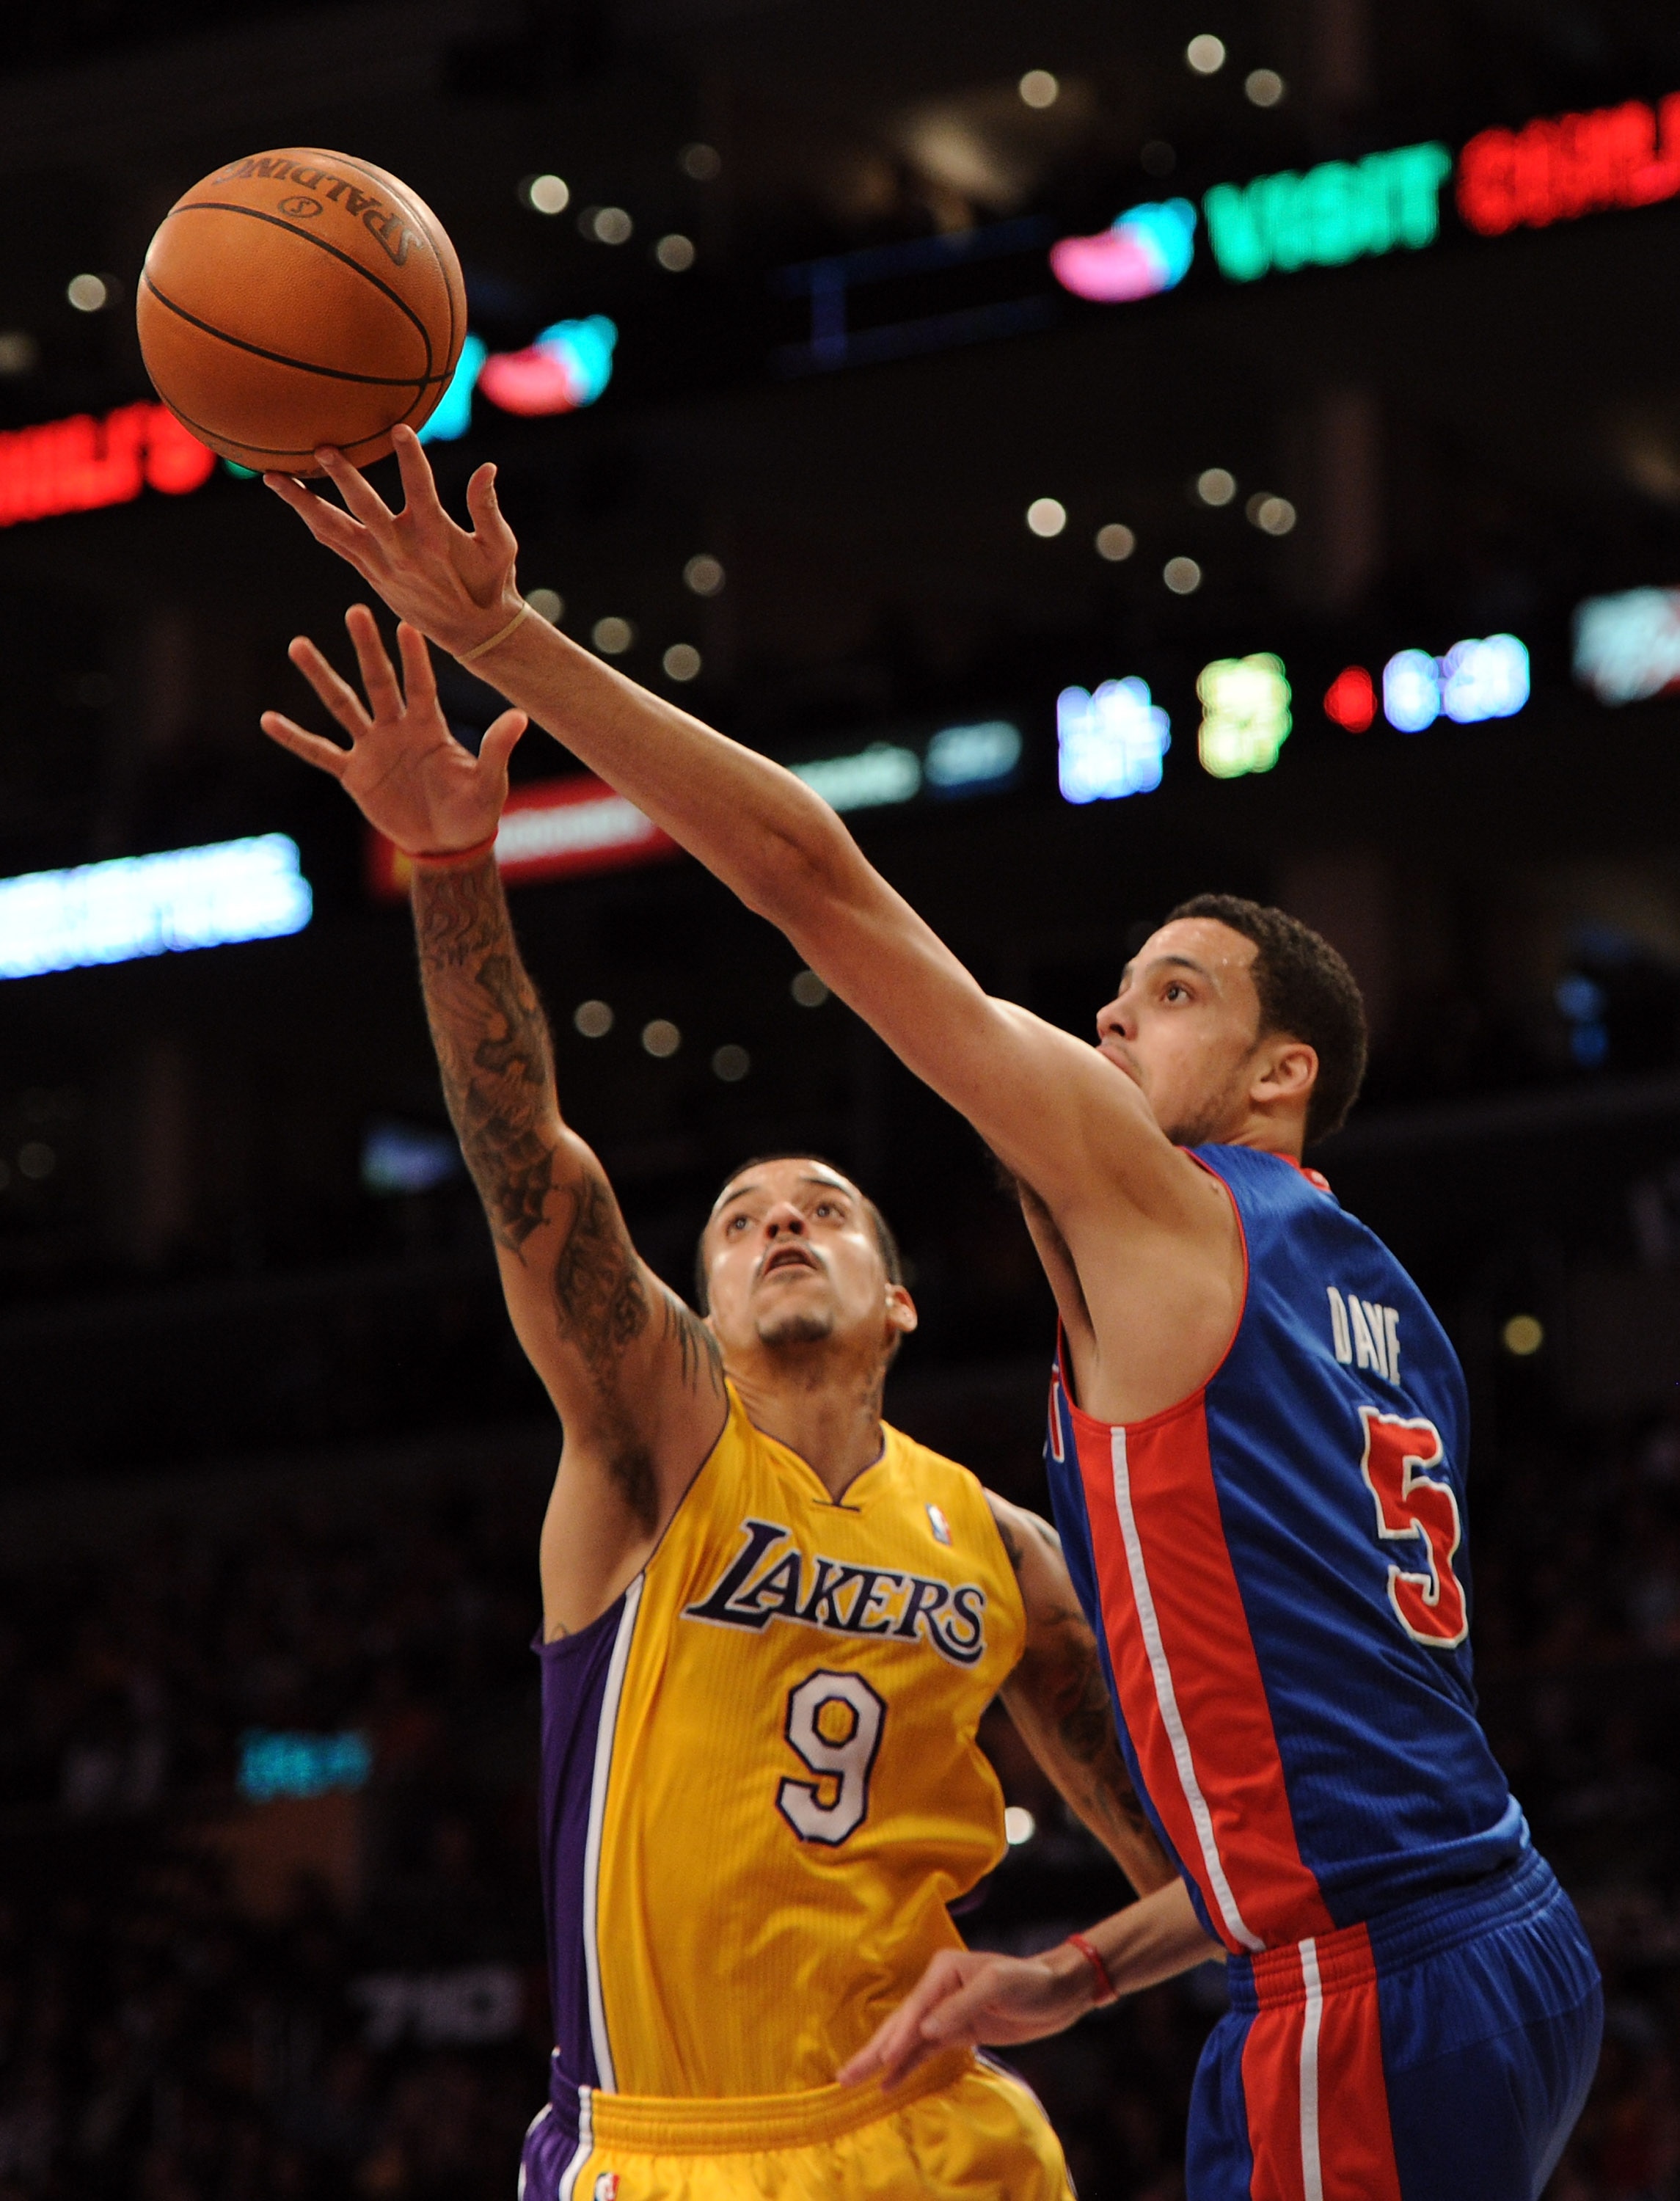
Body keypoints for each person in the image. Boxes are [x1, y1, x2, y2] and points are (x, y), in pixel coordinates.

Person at [263, 428, 1605, 2201]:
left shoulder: (1149, 1241)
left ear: (1280, 1076)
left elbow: (815, 881)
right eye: (739, 1217)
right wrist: (1076, 1971)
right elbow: (530, 1175)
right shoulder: (1383, 1305)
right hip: (1484, 1931)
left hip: (1339, 1990)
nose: (1107, 1026)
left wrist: (503, 638)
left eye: (1167, 997)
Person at [261, 605, 1175, 2201]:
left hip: (936, 2141)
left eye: (823, 1210)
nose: (781, 1228)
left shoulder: (1004, 1550)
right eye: (742, 1223)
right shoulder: (660, 1436)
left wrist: (1078, 1972)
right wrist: (452, 867)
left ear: (897, 1300)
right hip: (674, 2153)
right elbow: (526, 1166)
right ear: (698, 1305)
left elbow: (1210, 1873)